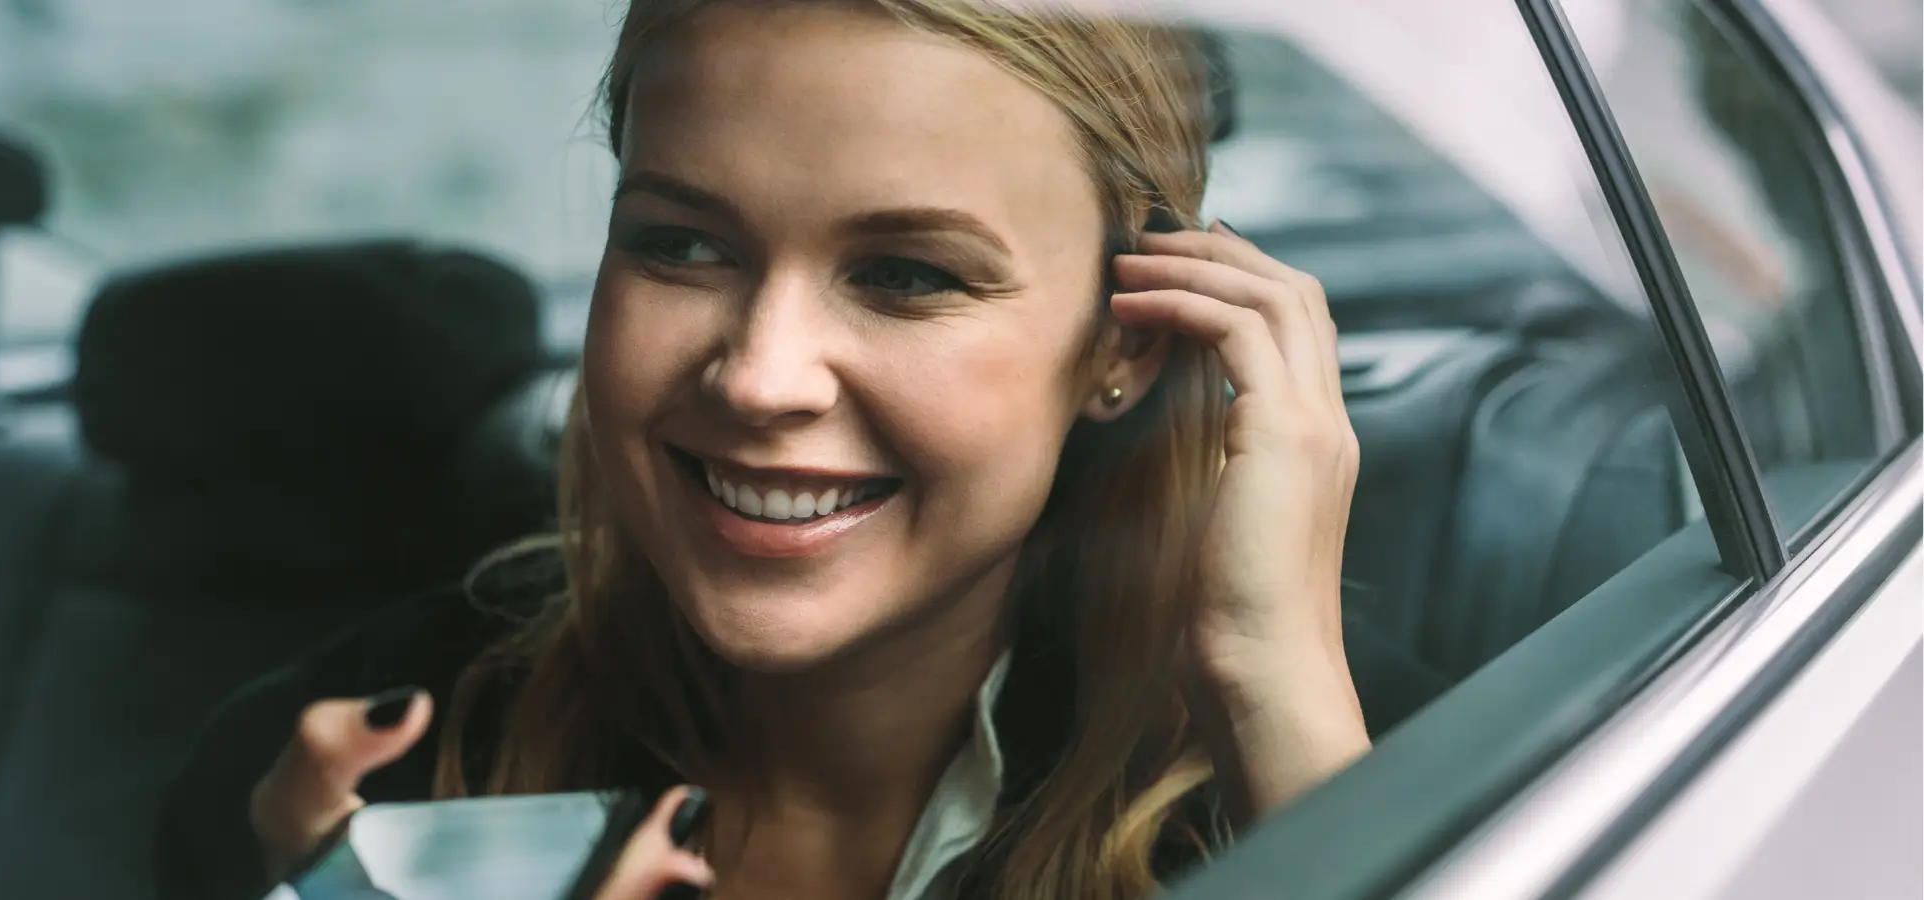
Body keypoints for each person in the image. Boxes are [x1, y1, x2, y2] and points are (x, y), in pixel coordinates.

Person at [154, 1, 1379, 897]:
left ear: (1126, 350)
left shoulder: (1313, 775)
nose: (757, 375)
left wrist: (1275, 696)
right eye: (681, 246)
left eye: (905, 275)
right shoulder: (348, 781)